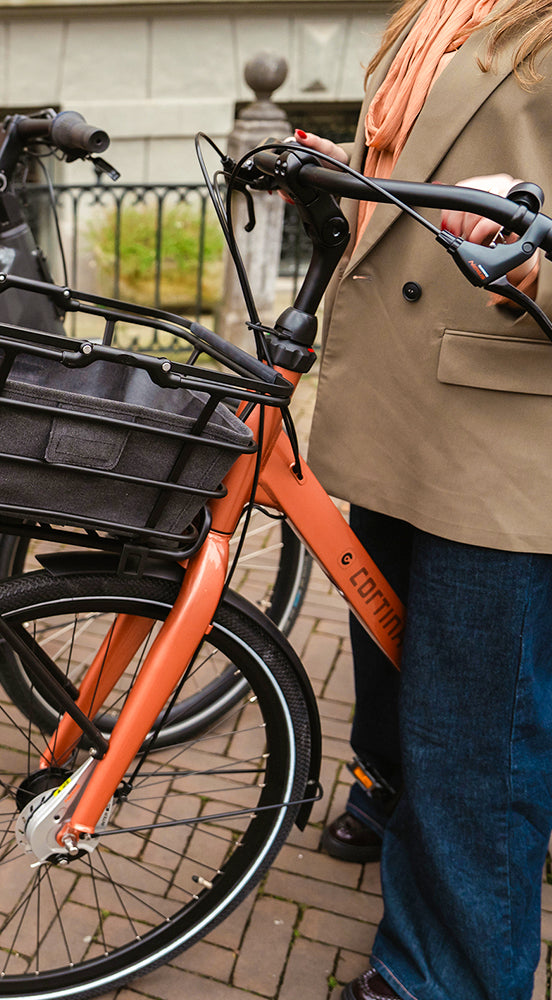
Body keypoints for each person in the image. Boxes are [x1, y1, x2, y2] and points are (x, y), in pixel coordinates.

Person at [294, 1, 552, 998]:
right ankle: (392, 792)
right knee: (398, 657)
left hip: (502, 423)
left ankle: (445, 975)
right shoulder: (441, 5)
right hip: (404, 394)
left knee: (475, 734)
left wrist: (527, 252)